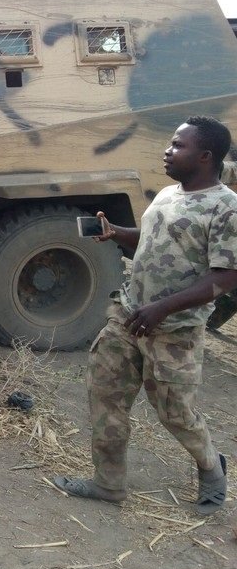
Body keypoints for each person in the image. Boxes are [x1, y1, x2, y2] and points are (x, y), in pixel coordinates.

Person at [53, 116, 236, 516]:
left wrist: (163, 308)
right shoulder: (169, 194)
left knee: (175, 412)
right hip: (128, 315)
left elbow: (226, 276)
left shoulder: (225, 207)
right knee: (106, 398)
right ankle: (108, 483)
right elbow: (153, 238)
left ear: (205, 156)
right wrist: (117, 233)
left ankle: (210, 468)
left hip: (174, 331)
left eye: (178, 145)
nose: (168, 151)